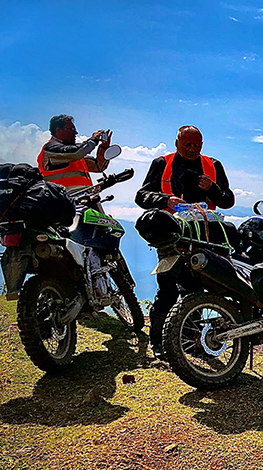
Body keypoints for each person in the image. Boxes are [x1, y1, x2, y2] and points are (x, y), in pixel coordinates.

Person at [136, 125, 237, 345]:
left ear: (202, 145)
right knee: (168, 290)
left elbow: (228, 200)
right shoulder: (162, 164)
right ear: (177, 143)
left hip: (204, 236)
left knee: (196, 289)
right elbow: (141, 196)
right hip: (171, 237)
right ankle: (158, 343)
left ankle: (190, 342)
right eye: (187, 144)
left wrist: (212, 188)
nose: (191, 149)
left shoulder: (213, 165)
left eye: (195, 145)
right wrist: (165, 200)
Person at [37, 114, 112, 194]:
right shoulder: (51, 149)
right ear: (58, 130)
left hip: (84, 198)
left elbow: (98, 166)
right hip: (63, 200)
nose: (76, 132)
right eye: (72, 129)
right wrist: (94, 140)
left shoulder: (72, 153)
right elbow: (76, 152)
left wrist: (104, 147)